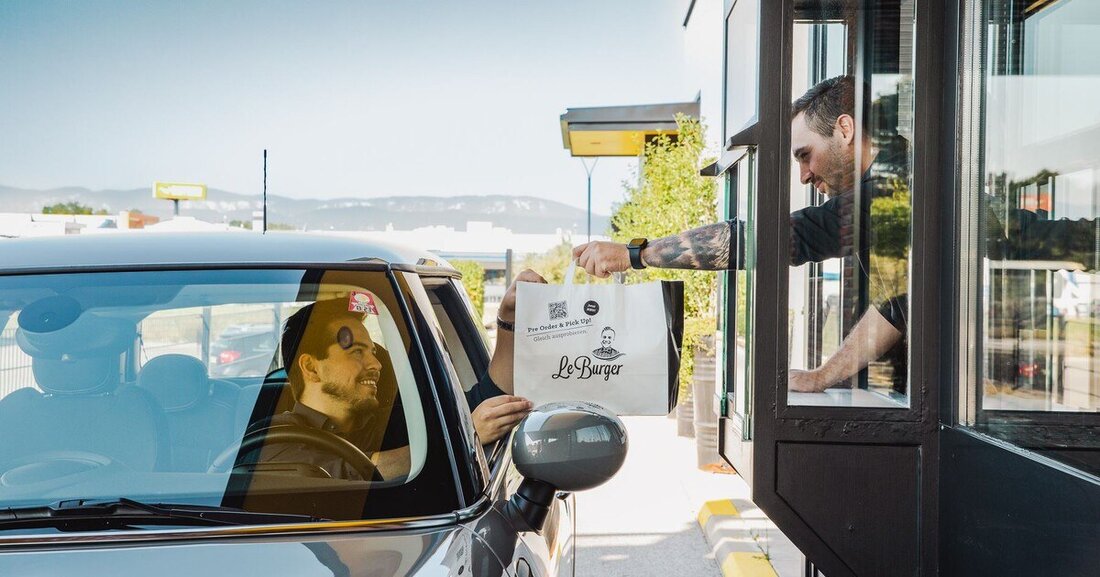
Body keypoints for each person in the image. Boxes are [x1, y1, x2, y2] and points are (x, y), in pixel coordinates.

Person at [262, 269, 546, 481]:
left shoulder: (397, 422)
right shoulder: (273, 440)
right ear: (311, 367)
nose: (377, 363)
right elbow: (344, 477)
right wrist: (464, 440)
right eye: (357, 352)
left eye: (373, 351)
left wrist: (508, 319)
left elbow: (492, 399)